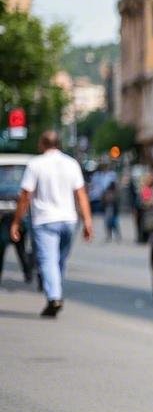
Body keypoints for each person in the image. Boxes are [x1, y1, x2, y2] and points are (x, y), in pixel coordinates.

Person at [9, 130, 93, 317]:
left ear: (41, 144)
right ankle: (55, 290)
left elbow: (25, 196)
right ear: (59, 144)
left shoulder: (35, 165)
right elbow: (81, 195)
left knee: (49, 261)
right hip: (68, 220)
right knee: (59, 260)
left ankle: (54, 296)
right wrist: (87, 222)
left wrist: (16, 222)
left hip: (44, 221)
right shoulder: (71, 164)